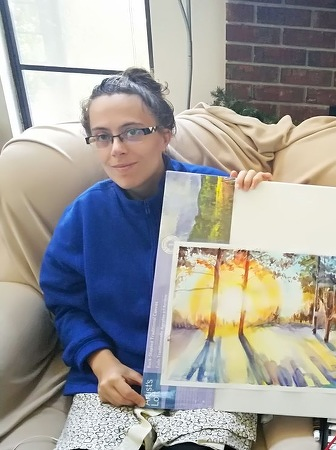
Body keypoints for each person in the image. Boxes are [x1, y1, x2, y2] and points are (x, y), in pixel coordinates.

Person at [40, 67, 272, 450]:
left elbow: (266, 270)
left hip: (210, 375)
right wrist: (101, 363)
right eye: (102, 136)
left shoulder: (216, 194)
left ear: (165, 134)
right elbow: (65, 304)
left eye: (133, 131)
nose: (116, 148)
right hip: (118, 377)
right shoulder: (85, 214)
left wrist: (265, 203)